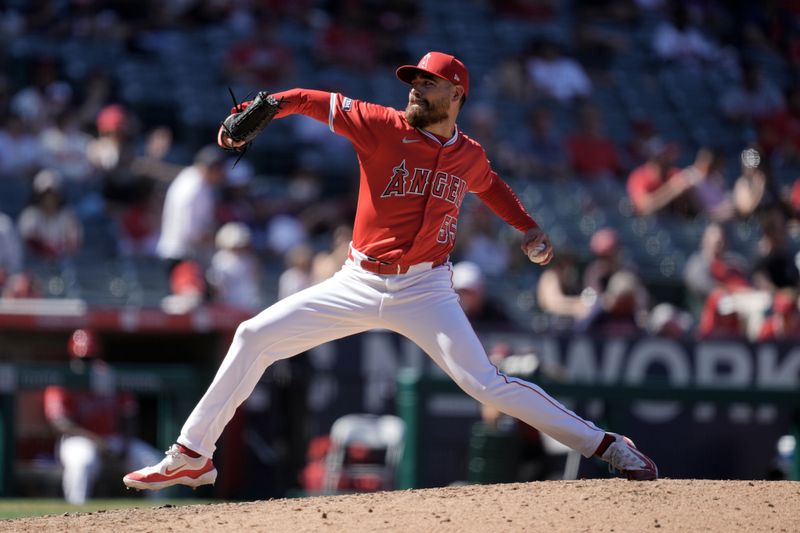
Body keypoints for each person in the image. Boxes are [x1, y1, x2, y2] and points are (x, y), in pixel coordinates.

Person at [123, 51, 657, 491]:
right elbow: (312, 100)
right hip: (357, 281)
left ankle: (608, 446)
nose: (415, 90)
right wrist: (272, 106)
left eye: (428, 83)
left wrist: (528, 228)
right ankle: (193, 453)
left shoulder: (467, 153)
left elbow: (489, 184)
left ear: (456, 96)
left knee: (487, 385)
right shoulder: (380, 125)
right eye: (414, 81)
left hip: (426, 287)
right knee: (253, 334)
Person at [45, 329, 162, 504]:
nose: (87, 364)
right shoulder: (64, 379)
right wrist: (96, 441)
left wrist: (126, 443)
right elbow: (60, 423)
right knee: (83, 463)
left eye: (90, 358)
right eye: (83, 359)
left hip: (114, 440)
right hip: (77, 440)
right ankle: (75, 513)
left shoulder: (110, 376)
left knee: (153, 461)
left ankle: (162, 514)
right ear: (73, 357)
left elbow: (129, 414)